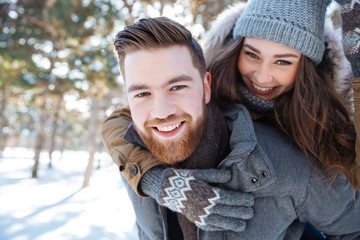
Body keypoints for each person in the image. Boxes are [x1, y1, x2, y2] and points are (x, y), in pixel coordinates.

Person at [105, 15, 360, 239]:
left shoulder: (305, 150)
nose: (262, 76)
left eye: (178, 87)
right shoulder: (140, 147)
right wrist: (154, 179)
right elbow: (115, 123)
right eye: (252, 54)